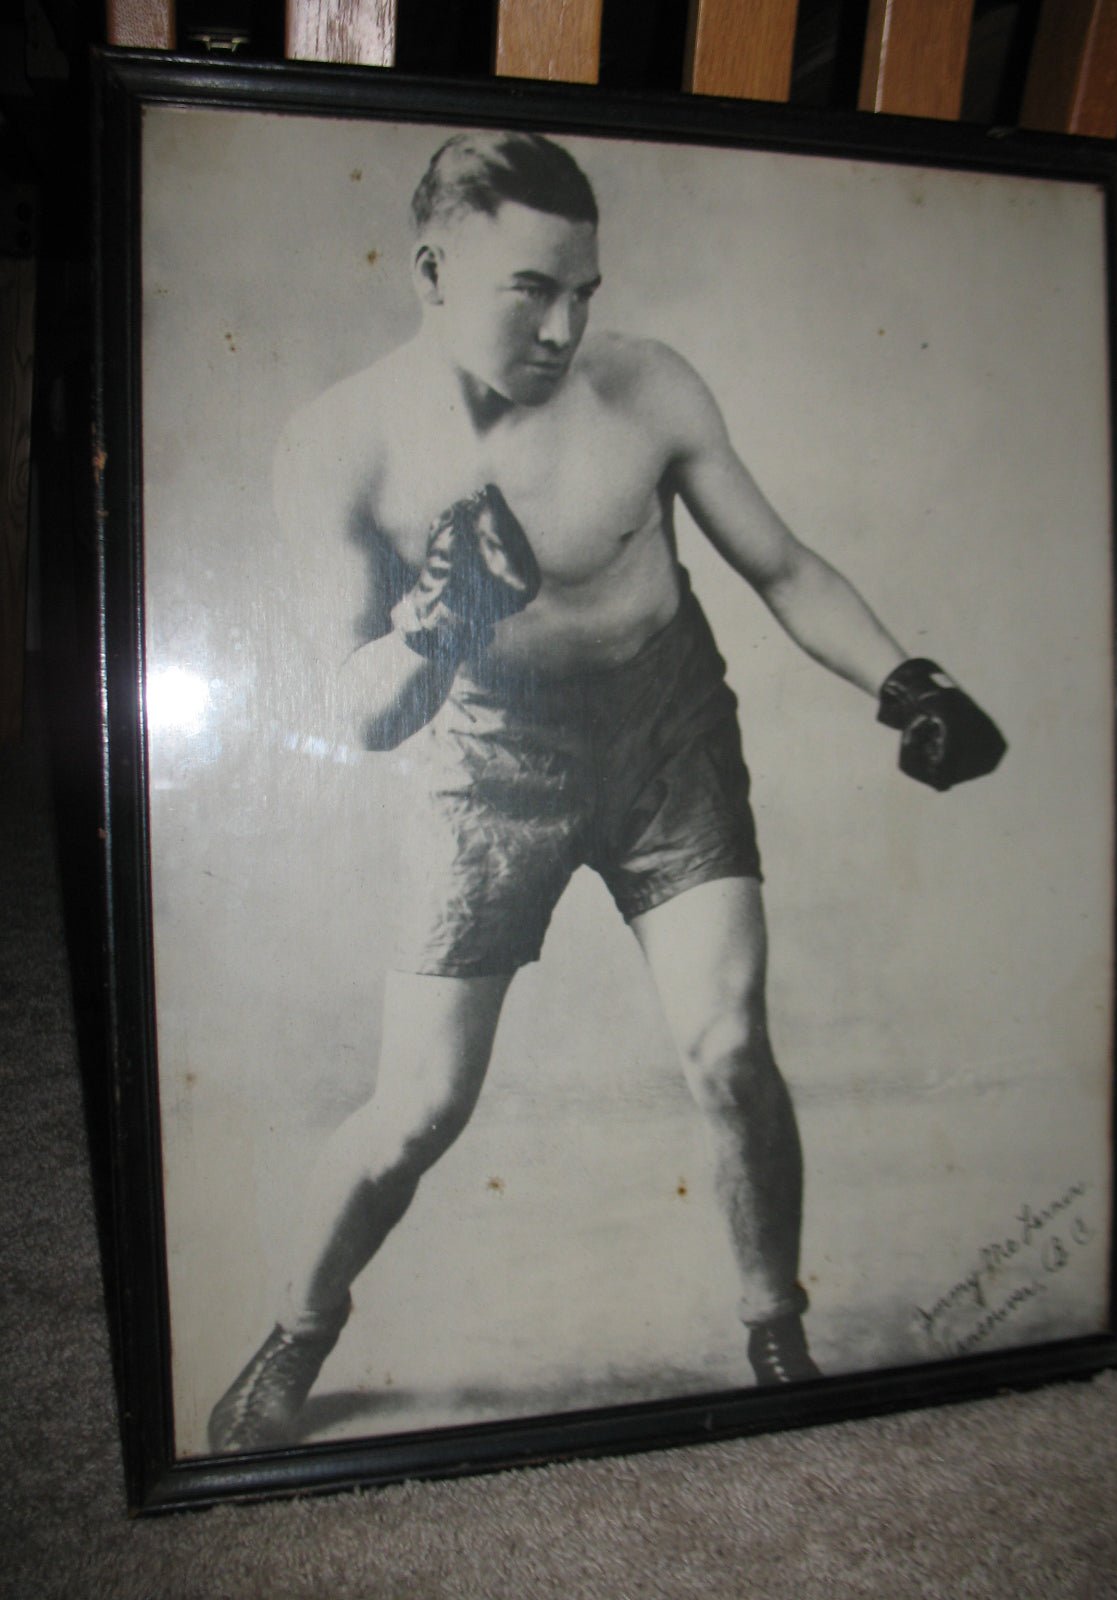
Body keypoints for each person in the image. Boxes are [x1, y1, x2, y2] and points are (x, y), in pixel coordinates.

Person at [207, 131, 1004, 1453]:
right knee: (418, 1110)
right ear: (431, 271)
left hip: (664, 734)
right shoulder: (342, 444)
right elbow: (352, 715)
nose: (566, 328)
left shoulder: (648, 389)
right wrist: (440, 627)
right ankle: (297, 1330)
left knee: (729, 1048)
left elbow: (783, 566)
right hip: (483, 763)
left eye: (584, 291)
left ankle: (777, 1334)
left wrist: (905, 679)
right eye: (531, 290)